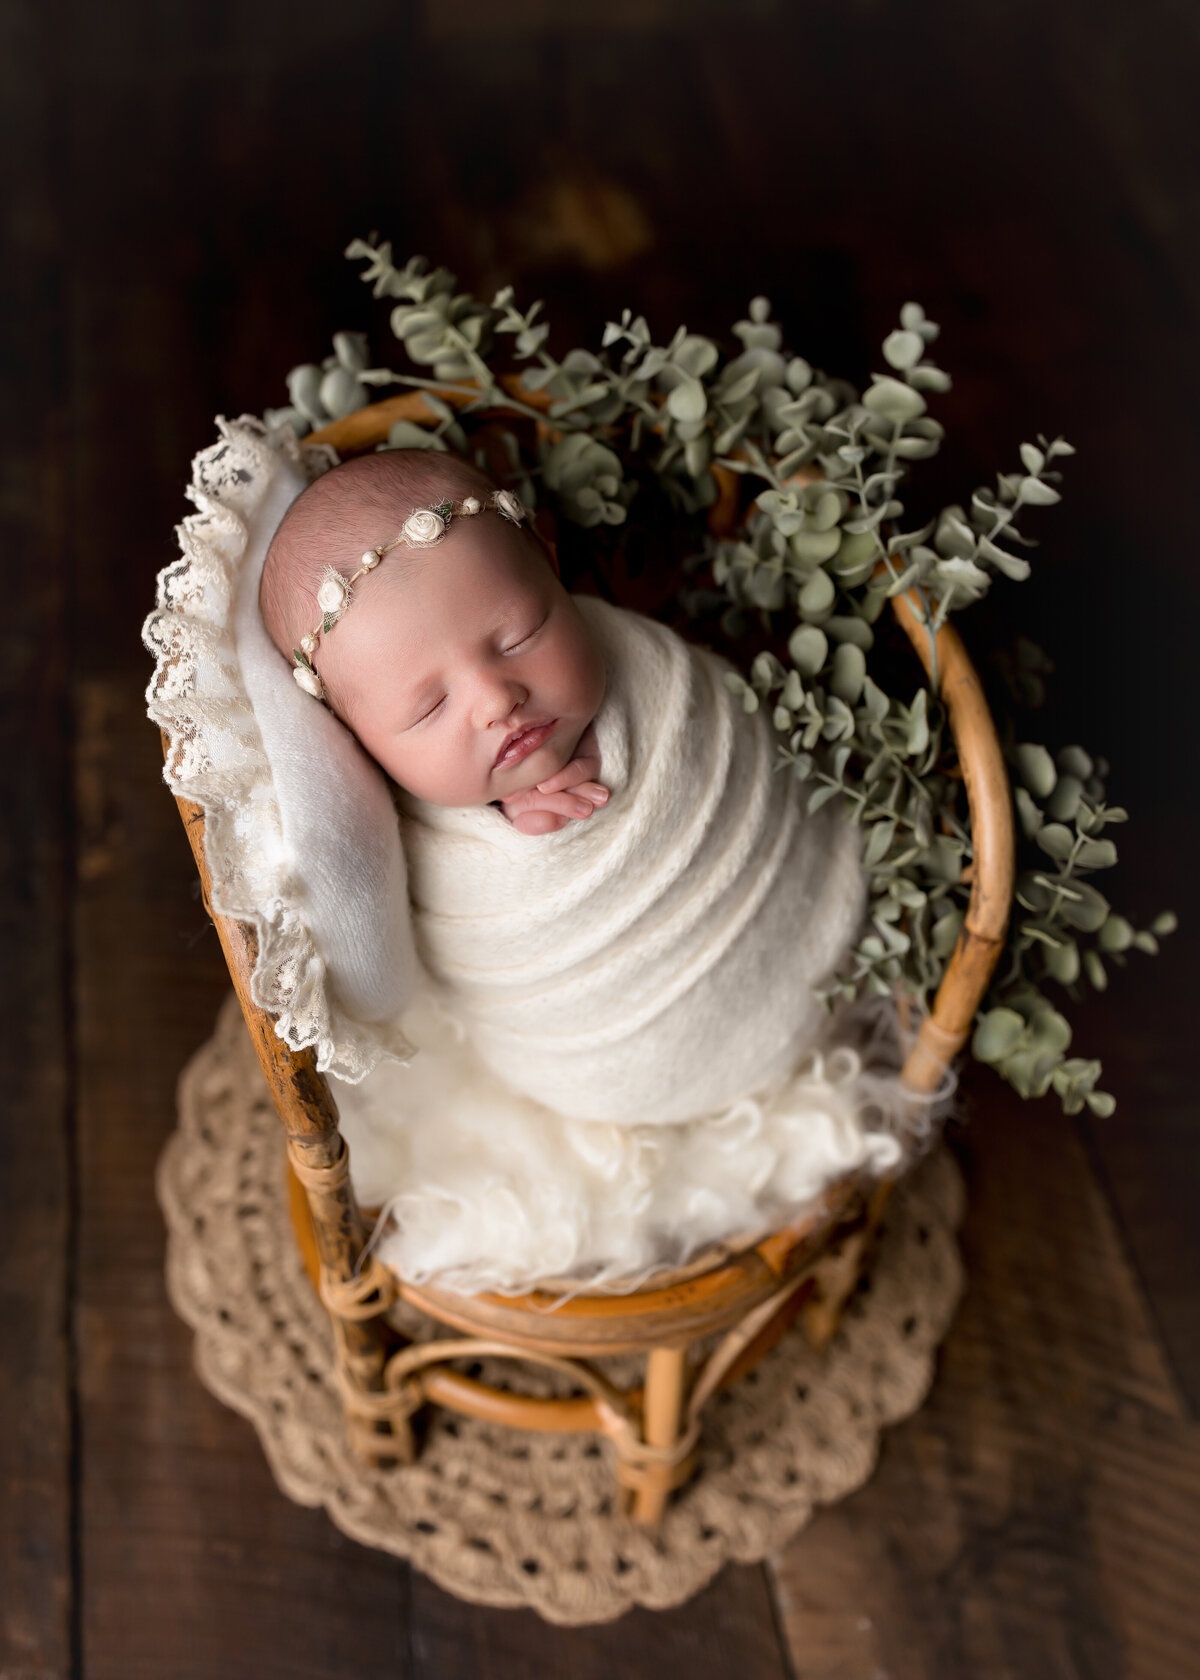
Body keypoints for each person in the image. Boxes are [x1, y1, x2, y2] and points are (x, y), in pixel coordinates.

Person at [260, 449, 612, 836]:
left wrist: (608, 743)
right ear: (360, 745)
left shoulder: (618, 647)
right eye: (430, 708)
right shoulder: (406, 836)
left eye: (521, 637)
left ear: (551, 565)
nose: (497, 700)